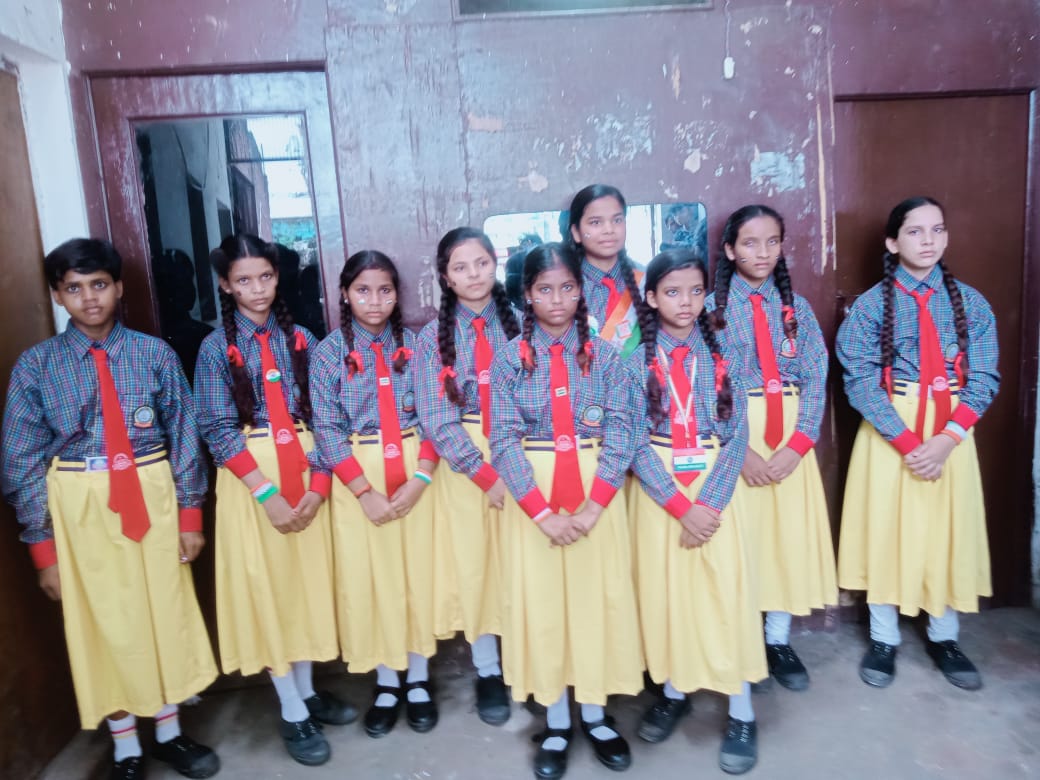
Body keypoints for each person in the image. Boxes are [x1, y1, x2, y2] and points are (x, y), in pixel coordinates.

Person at [2, 238, 219, 780]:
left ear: (119, 287)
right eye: (73, 288)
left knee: (164, 610)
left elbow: (185, 437)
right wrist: (43, 550)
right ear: (57, 296)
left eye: (99, 284)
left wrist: (190, 516)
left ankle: (169, 733)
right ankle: (125, 747)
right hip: (81, 502)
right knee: (105, 620)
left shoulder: (155, 355)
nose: (89, 298)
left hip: (151, 492)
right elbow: (21, 460)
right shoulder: (37, 366)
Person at [195, 234, 352, 768]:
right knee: (270, 591)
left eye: (265, 276)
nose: (257, 289)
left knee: (304, 588)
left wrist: (320, 484)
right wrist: (265, 494)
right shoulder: (214, 349)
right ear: (226, 285)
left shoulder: (304, 338)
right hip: (254, 484)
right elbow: (217, 428)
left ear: (277, 277)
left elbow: (328, 413)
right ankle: (290, 708)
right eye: (243, 280)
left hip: (308, 473)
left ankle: (307, 693)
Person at [489, 242, 642, 780]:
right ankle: (556, 720)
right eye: (545, 289)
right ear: (527, 295)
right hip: (535, 501)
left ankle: (596, 715)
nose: (557, 299)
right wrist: (540, 514)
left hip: (595, 496)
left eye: (568, 288)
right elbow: (502, 439)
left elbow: (622, 429)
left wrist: (596, 507)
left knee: (595, 602)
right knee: (545, 607)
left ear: (582, 291)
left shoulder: (605, 357)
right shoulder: (508, 360)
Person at [837, 196, 999, 691]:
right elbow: (860, 380)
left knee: (946, 530)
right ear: (892, 243)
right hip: (892, 430)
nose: (928, 240)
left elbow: (984, 377)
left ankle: (944, 636)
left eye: (937, 230)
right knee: (886, 530)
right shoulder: (870, 307)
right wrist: (909, 443)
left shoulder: (972, 304)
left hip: (952, 431)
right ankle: (883, 637)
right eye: (914, 231)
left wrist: (948, 439)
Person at [627, 248, 765, 775]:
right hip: (660, 493)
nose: (685, 302)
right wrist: (680, 506)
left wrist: (707, 503)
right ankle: (674, 689)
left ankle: (742, 709)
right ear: (651, 297)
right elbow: (632, 440)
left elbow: (738, 434)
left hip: (716, 487)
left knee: (727, 594)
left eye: (695, 291)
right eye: (672, 292)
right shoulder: (633, 360)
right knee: (666, 595)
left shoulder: (726, 350)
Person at [309, 250, 441, 739]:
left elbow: (435, 412)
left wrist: (422, 476)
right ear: (345, 294)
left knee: (416, 574)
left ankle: (419, 679)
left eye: (385, 290)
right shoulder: (329, 353)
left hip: (414, 471)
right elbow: (326, 429)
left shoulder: (417, 345)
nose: (374, 301)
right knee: (374, 578)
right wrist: (363, 491)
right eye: (362, 291)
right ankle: (387, 683)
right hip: (358, 477)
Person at [708, 205, 837, 689]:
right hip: (737, 436)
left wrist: (798, 445)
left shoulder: (795, 309)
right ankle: (740, 638)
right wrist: (738, 452)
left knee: (785, 539)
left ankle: (777, 640)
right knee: (740, 538)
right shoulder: (709, 311)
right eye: (749, 243)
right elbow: (705, 386)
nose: (762, 252)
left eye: (772, 242)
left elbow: (816, 377)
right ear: (729, 250)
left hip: (788, 439)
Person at [415, 228, 520, 725]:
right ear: (445, 277)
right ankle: (488, 669)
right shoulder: (430, 339)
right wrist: (485, 476)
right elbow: (437, 419)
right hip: (465, 466)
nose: (473, 274)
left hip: (521, 454)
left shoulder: (522, 323)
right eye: (460, 267)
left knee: (522, 560)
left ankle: (529, 661)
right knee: (476, 565)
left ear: (495, 264)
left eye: (481, 263)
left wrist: (514, 471)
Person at [566, 184, 648, 358]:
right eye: (596, 222)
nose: (609, 230)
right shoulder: (565, 288)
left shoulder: (646, 281)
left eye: (617, 220)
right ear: (576, 232)